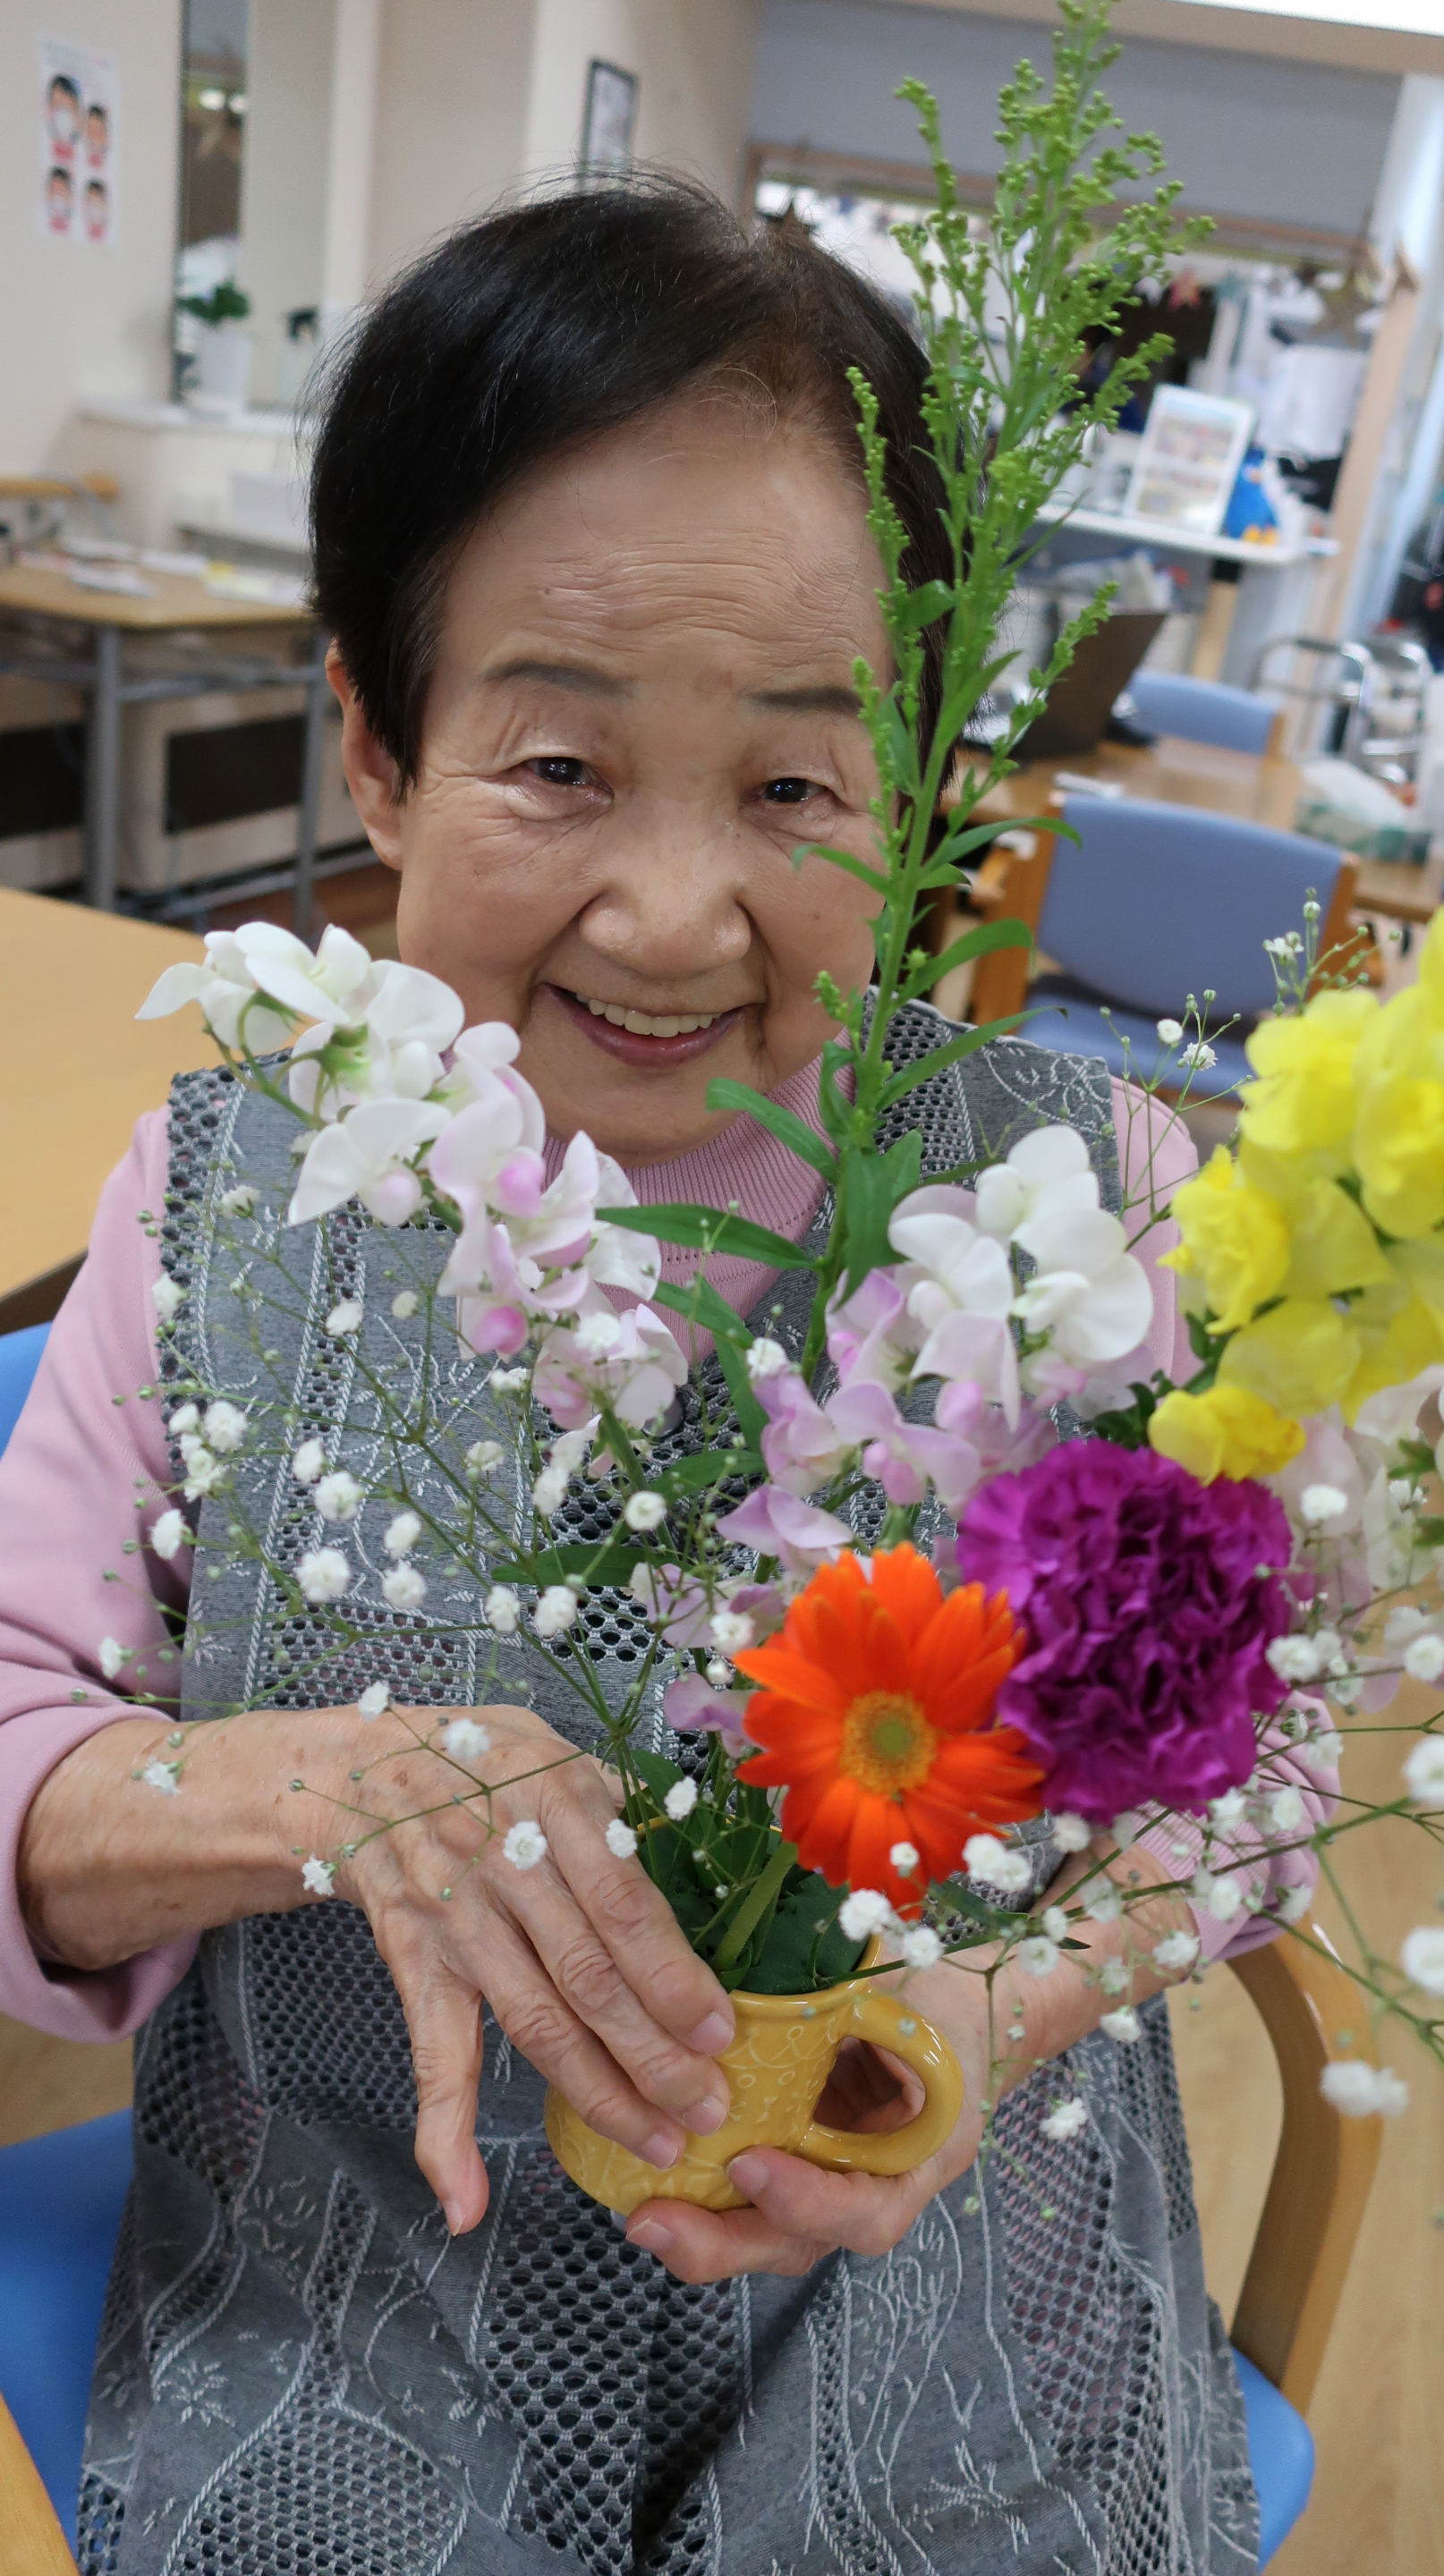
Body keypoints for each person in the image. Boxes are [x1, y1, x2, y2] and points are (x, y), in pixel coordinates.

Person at [1, 180, 1328, 2576]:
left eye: (798, 787)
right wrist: (320, 1789)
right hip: (351, 2317)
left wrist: (1001, 2011)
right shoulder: (222, 1194)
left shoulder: (1091, 1206)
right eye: (558, 768)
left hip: (948, 2310)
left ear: (916, 785)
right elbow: (18, 1740)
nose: (676, 913)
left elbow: (1271, 1745)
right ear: (378, 746)